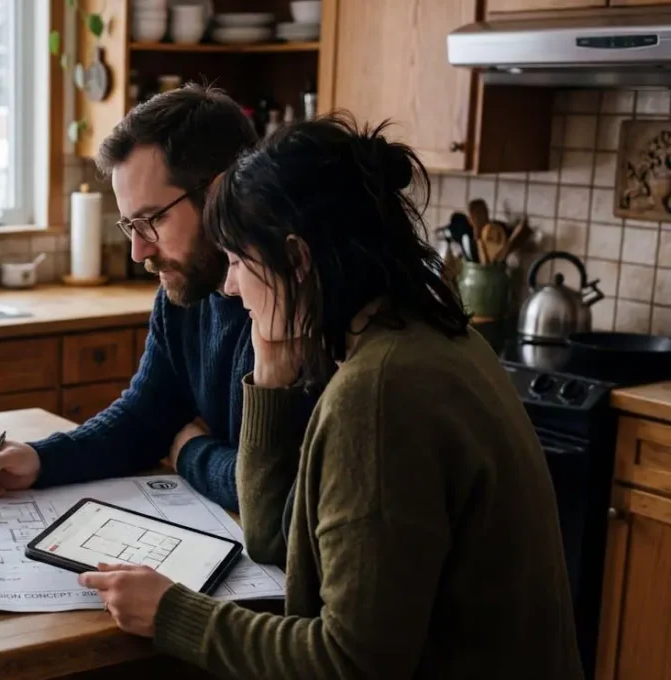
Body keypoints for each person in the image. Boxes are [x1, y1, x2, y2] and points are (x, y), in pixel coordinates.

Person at [78, 115, 584, 678]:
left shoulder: (379, 392)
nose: (228, 286)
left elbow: (350, 664)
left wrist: (171, 613)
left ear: (297, 261)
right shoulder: (431, 337)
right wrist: (270, 367)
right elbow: (275, 538)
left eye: (241, 262)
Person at [0, 84, 307, 514]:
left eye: (153, 220)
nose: (138, 252)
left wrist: (187, 447)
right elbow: (146, 418)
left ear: (221, 193)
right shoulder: (185, 290)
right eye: (131, 226)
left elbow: (275, 493)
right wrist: (39, 459)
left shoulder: (295, 308)